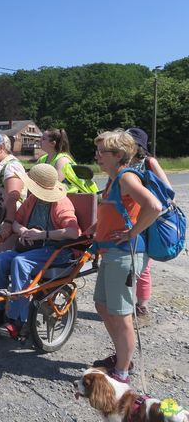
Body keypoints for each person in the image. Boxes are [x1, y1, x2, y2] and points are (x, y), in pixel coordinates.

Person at [0, 164, 80, 338]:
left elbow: (73, 232)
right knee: (0, 260)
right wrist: (22, 231)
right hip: (34, 249)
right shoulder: (33, 200)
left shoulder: (61, 204)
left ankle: (17, 320)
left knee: (20, 262)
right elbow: (16, 220)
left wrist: (42, 234)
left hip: (56, 250)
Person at [91, 129, 161, 384]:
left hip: (124, 255)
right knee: (102, 305)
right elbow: (117, 210)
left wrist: (132, 232)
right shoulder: (113, 180)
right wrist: (95, 227)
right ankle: (123, 356)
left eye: (102, 152)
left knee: (120, 315)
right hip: (111, 253)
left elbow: (154, 206)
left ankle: (122, 372)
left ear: (118, 154)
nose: (97, 156)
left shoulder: (126, 177)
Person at [126, 127, 171, 325]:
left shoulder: (149, 162)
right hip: (126, 217)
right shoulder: (124, 162)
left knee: (142, 264)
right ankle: (125, 305)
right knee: (127, 262)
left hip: (145, 218)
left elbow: (167, 190)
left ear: (138, 145)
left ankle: (141, 306)